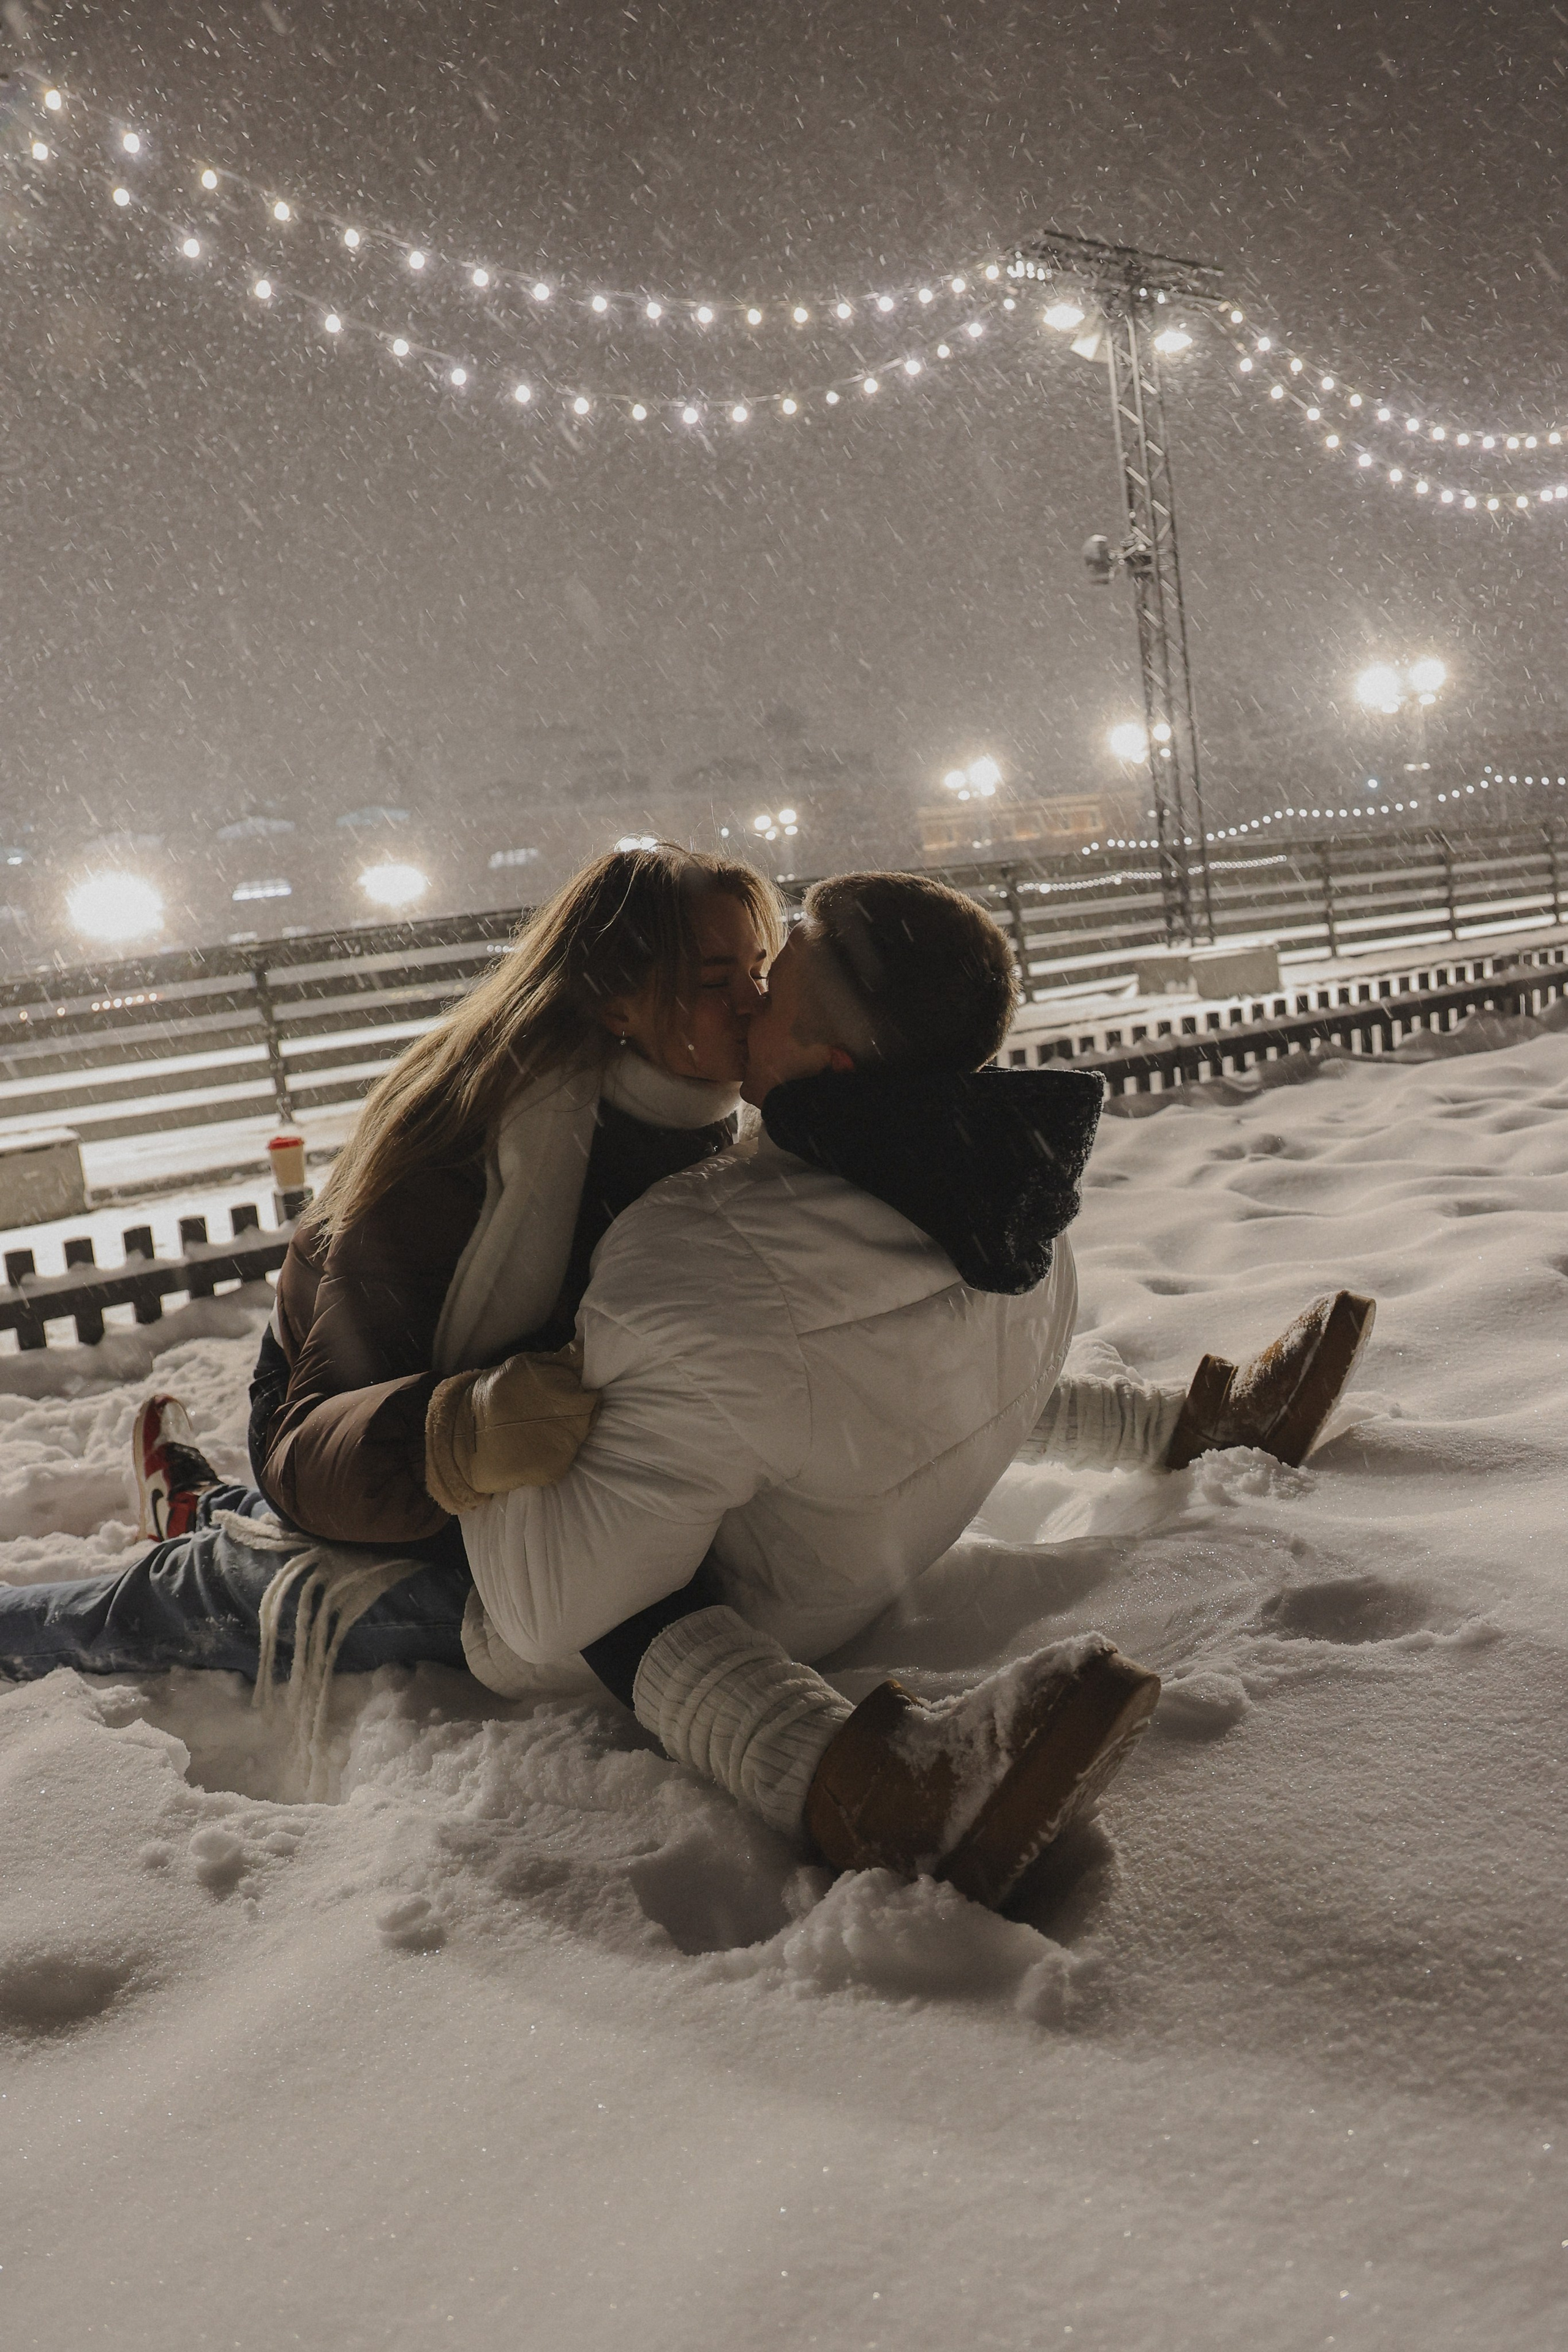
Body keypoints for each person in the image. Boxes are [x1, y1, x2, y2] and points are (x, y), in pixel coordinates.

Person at [0, 864, 1373, 1907]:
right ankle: (63, 1601)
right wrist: (456, 1429)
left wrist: (1165, 1424)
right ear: (613, 998)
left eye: (760, 966)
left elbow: (846, 1360)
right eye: (716, 975)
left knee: (637, 1510)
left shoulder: (740, 1148)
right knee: (214, 1592)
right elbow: (319, 1452)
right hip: (371, 1449)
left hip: (517, 1461)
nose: (750, 995)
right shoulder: (451, 1174)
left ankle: (196, 1505)